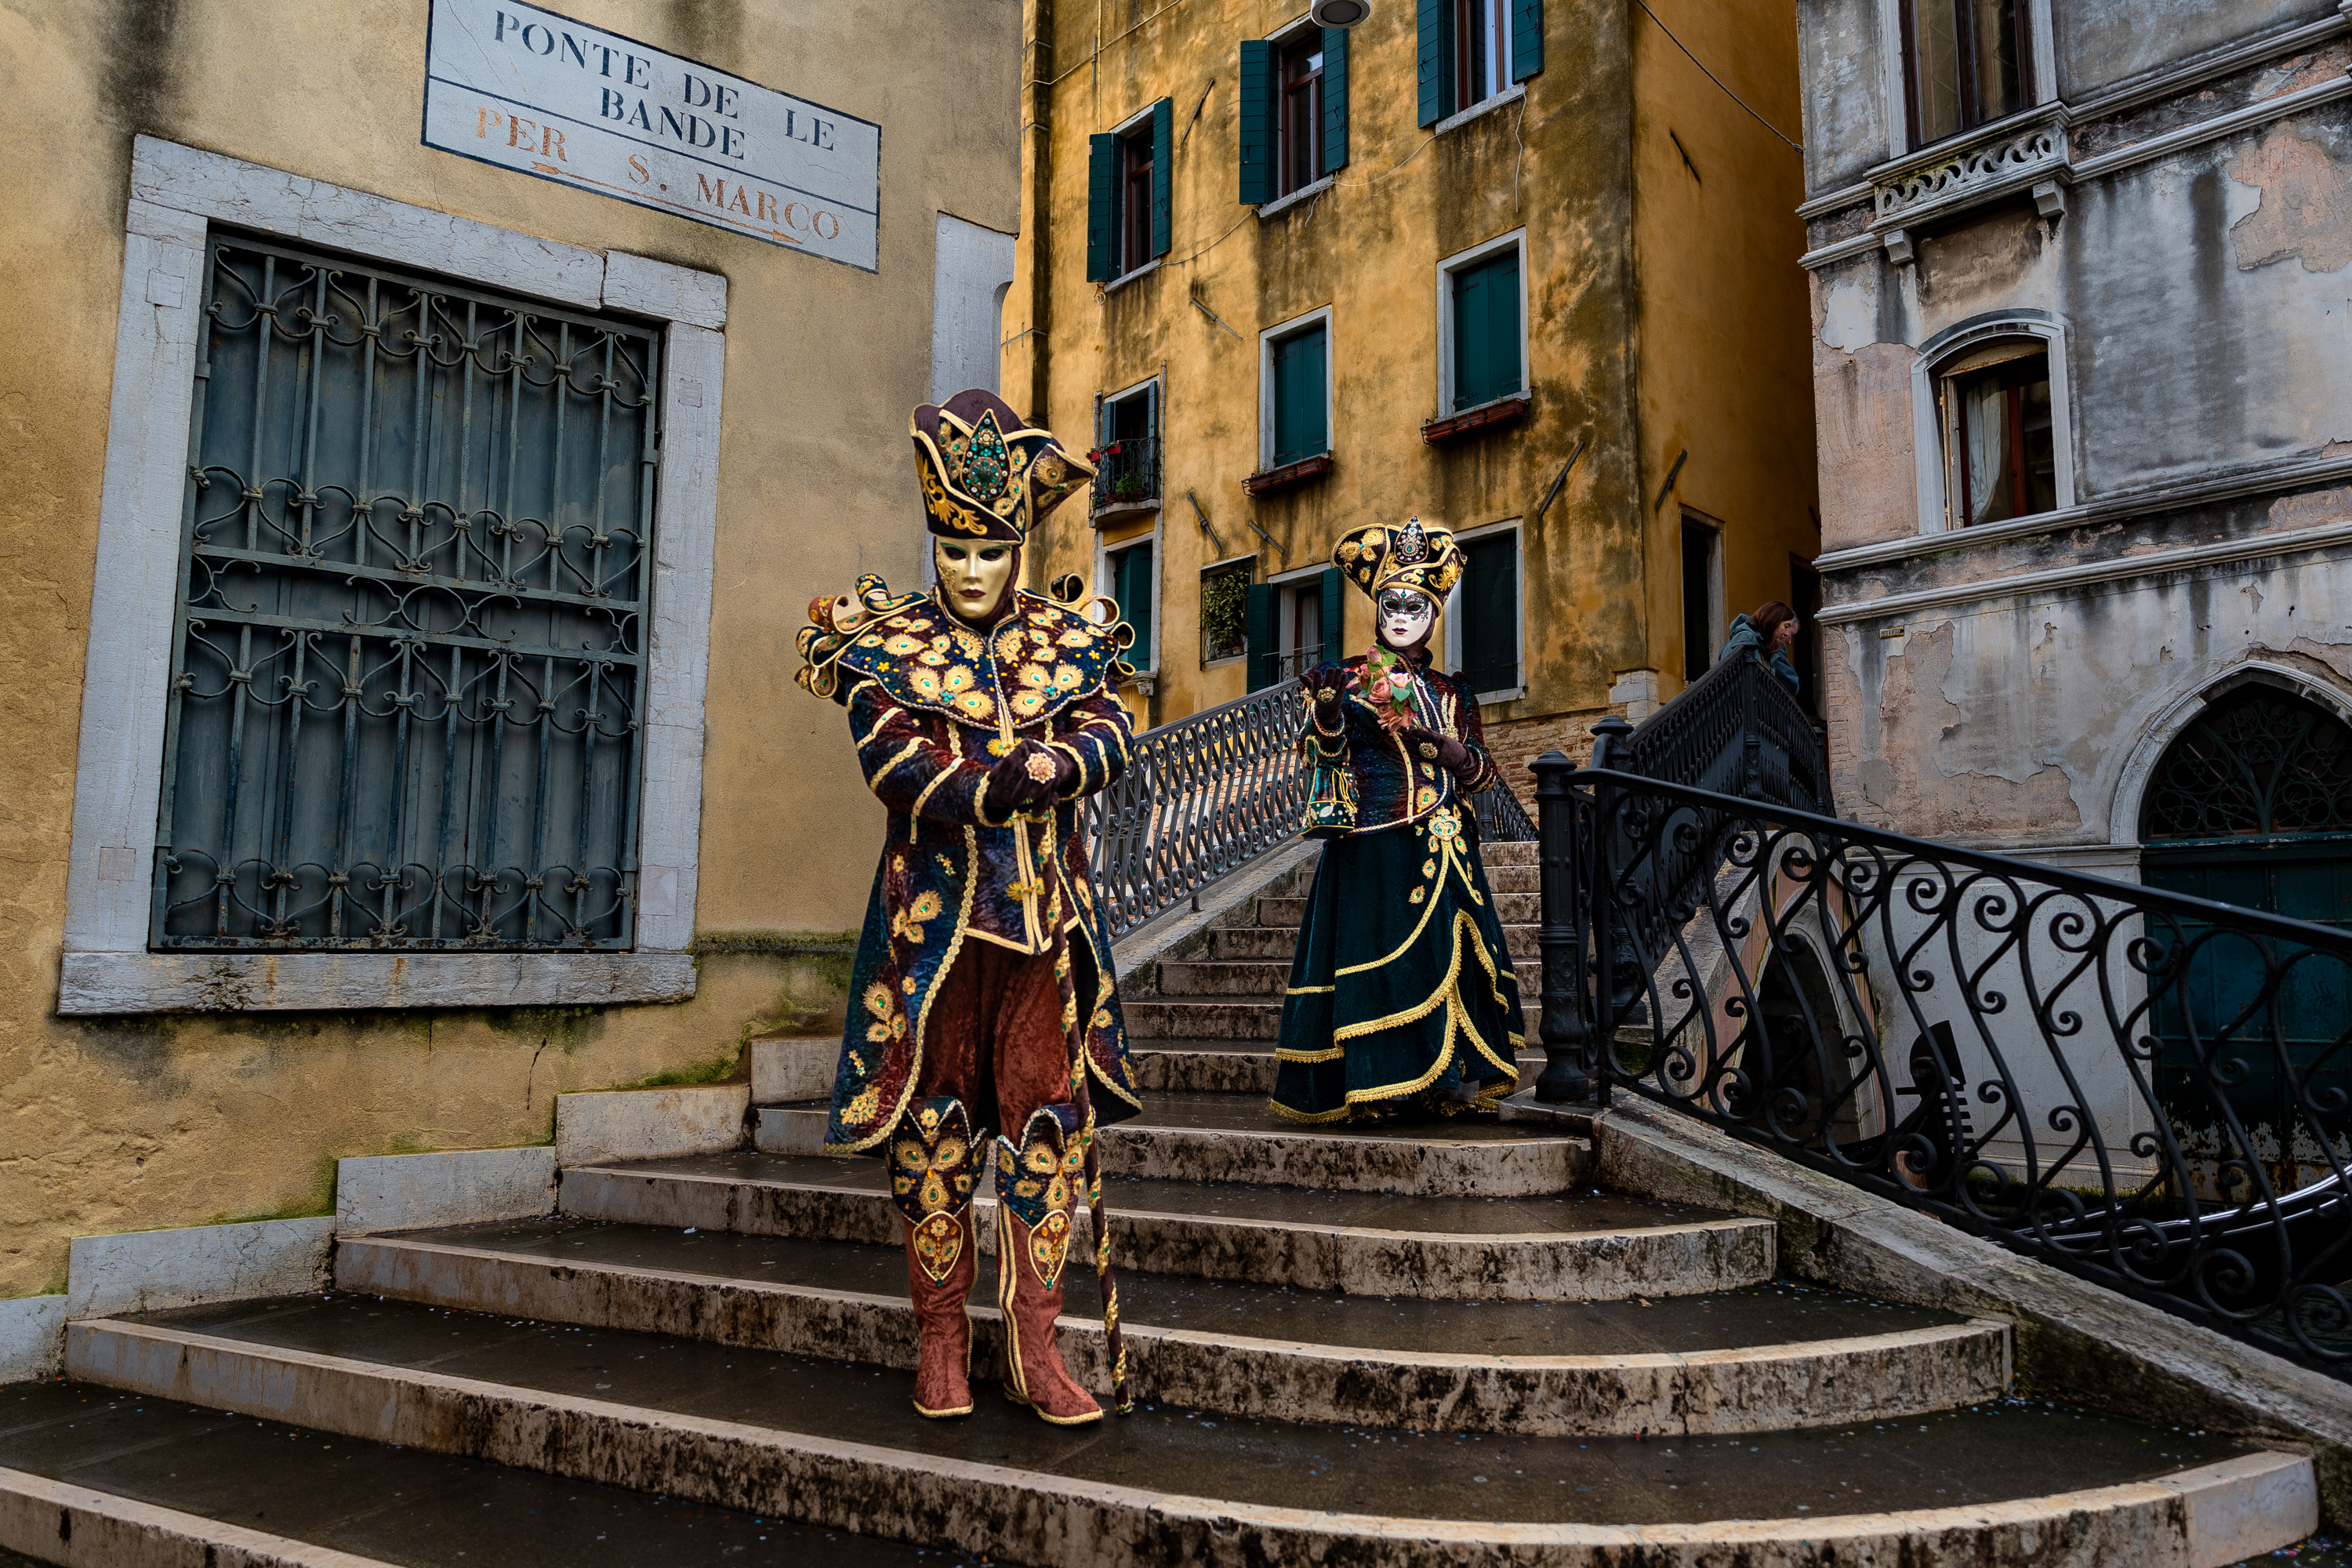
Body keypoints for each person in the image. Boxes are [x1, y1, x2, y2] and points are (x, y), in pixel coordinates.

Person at [797, 390, 1142, 1427]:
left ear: (1018, 546)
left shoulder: (1066, 639)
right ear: (935, 539)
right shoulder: (889, 647)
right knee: (936, 1132)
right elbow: (894, 763)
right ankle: (941, 1342)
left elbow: (1115, 728)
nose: (974, 570)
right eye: (955, 548)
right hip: (936, 939)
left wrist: (1064, 756)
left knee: (1047, 1133)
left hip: (1045, 936)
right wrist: (1007, 780)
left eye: (991, 549)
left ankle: (1036, 1346)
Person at [1269, 518, 1525, 1125]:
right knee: (1385, 960)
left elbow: (1484, 776)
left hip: (1449, 842)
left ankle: (1441, 1081)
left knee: (1447, 958)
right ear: (1378, 609)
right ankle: (1380, 1087)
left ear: (1434, 615)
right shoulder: (1351, 683)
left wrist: (1452, 751)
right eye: (1393, 603)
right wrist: (1329, 716)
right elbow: (1324, 760)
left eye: (1417, 605)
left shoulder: (1454, 692)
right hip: (1373, 846)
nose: (1403, 614)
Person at [1722, 600, 1802, 695]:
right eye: (1786, 626)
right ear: (1773, 620)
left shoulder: (1763, 644)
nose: (1786, 633)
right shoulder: (1746, 637)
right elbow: (1731, 678)